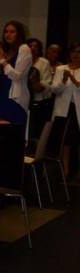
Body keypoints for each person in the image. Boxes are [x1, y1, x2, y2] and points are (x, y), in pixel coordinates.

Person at [0, 20, 31, 126]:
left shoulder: (24, 49)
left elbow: (16, 76)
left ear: (19, 34)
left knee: (13, 131)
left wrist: (1, 59)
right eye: (6, 31)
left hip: (15, 98)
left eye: (12, 32)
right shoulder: (7, 50)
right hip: (2, 93)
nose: (8, 34)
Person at [50, 42, 80, 177]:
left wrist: (72, 79)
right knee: (65, 140)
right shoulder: (61, 68)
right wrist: (63, 80)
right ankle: (65, 170)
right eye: (73, 51)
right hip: (63, 110)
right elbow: (55, 90)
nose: (76, 55)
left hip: (77, 110)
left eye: (79, 52)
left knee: (75, 140)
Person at [27, 37, 54, 143]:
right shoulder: (22, 61)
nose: (32, 48)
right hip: (24, 101)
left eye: (35, 47)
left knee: (35, 133)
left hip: (38, 103)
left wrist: (35, 81)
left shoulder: (44, 62)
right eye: (30, 46)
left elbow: (45, 84)